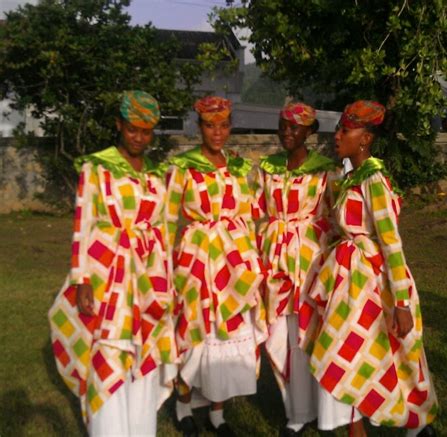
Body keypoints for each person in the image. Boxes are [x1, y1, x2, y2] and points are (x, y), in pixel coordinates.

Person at [48, 90, 177, 436]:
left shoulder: (156, 173)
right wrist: (82, 280)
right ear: (118, 125)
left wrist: (167, 282)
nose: (139, 137)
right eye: (132, 129)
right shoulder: (96, 167)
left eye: (146, 131)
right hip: (108, 275)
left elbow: (163, 228)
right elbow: (82, 225)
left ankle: (141, 428)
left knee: (142, 349)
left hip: (148, 278)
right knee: (111, 351)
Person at [308, 100, 438, 437]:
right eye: (339, 129)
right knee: (351, 351)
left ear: (365, 139)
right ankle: (362, 427)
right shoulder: (351, 177)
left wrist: (401, 303)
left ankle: (411, 421)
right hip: (349, 280)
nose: (337, 136)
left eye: (345, 131)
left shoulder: (374, 180)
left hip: (370, 282)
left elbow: (391, 243)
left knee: (369, 351)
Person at [166, 96, 267, 436]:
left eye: (223, 125)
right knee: (194, 332)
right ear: (200, 127)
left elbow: (249, 213)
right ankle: (183, 407)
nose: (218, 132)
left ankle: (217, 413)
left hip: (232, 263)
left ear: (230, 127)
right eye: (210, 125)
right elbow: (167, 219)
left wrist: (249, 255)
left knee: (228, 331)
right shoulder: (183, 167)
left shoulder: (238, 165)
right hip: (196, 261)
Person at [253, 102, 336, 436]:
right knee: (281, 334)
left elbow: (333, 216)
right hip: (275, 262)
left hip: (310, 261)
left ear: (310, 131)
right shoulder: (267, 168)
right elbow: (255, 210)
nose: (287, 133)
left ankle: (317, 408)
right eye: (282, 126)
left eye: (295, 128)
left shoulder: (325, 170)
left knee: (308, 335)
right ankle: (296, 409)